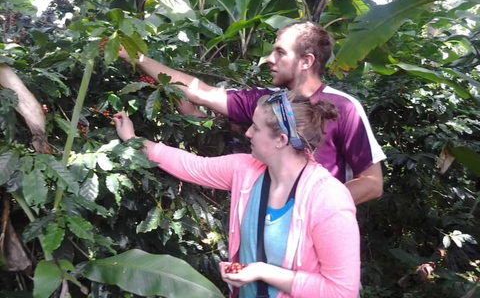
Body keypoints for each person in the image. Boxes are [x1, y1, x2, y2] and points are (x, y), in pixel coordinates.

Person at [113, 91, 360, 298]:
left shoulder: (329, 199)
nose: (248, 133)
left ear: (281, 140)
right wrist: (134, 140)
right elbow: (193, 166)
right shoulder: (247, 170)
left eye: (256, 127)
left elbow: (341, 292)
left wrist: (262, 271)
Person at [118, 21, 385, 205]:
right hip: (263, 226)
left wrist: (311, 207)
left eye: (280, 52)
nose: (269, 59)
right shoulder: (266, 101)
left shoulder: (345, 107)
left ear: (306, 61)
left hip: (319, 235)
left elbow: (372, 184)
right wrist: (136, 58)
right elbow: (203, 93)